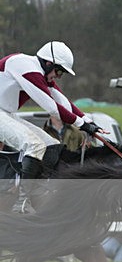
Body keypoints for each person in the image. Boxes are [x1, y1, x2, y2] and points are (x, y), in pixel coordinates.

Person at [0, 41, 103, 213]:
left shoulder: (40, 71)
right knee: (34, 145)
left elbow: (61, 100)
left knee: (51, 145)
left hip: (4, 112)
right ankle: (21, 202)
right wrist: (81, 124)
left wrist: (87, 121)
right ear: (48, 63)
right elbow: (51, 106)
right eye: (59, 71)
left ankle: (38, 191)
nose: (58, 76)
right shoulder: (26, 67)